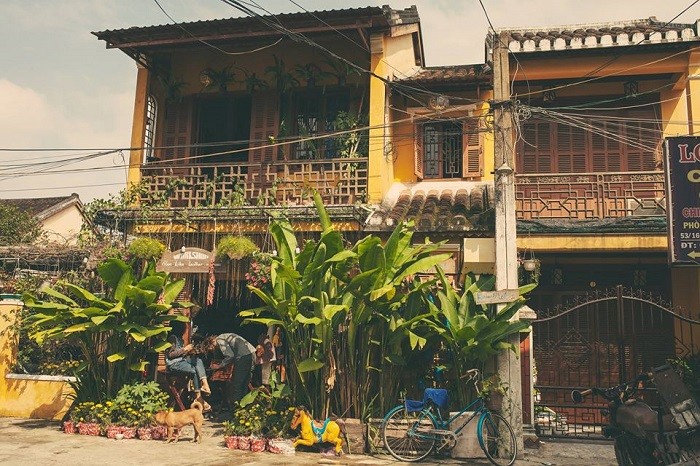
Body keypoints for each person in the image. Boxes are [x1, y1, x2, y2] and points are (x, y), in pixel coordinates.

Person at [165, 321, 211, 411]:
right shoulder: (172, 338)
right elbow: (170, 355)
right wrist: (185, 349)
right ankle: (199, 397)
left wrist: (189, 351)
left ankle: (205, 384)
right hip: (174, 364)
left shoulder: (179, 339)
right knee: (194, 370)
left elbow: (181, 354)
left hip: (181, 361)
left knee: (198, 361)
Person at [204, 332, 256, 404]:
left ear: (212, 342)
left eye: (212, 348)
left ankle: (236, 407)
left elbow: (229, 355)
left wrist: (219, 365)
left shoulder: (220, 340)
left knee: (236, 384)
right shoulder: (224, 336)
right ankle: (243, 406)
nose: (214, 350)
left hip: (243, 356)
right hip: (250, 353)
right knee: (244, 383)